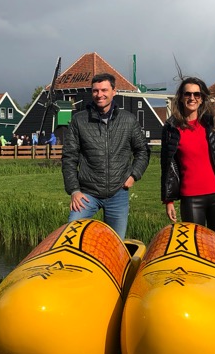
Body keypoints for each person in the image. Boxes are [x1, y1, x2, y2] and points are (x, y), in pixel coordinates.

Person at [62, 72, 150, 238]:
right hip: (87, 193)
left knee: (116, 243)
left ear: (114, 91)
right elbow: (69, 157)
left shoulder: (128, 120)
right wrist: (74, 190)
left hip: (118, 191)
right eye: (95, 91)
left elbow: (142, 150)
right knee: (70, 235)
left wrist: (134, 175)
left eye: (104, 90)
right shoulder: (79, 120)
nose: (99, 95)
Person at [160, 77, 215, 238]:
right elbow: (167, 165)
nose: (192, 98)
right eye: (187, 94)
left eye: (197, 94)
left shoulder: (214, 123)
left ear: (202, 98)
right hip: (191, 198)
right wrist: (168, 200)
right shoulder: (171, 128)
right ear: (181, 98)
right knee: (197, 246)